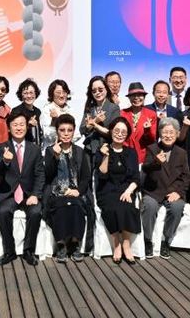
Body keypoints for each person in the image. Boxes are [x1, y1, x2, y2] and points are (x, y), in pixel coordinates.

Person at [0, 111, 45, 266]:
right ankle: (9, 251)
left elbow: (40, 174)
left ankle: (29, 251)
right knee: (3, 211)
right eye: (15, 125)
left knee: (35, 212)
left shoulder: (35, 149)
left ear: (27, 127)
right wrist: (5, 161)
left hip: (28, 193)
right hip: (9, 194)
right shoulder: (2, 147)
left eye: (22, 124)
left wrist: (35, 194)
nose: (18, 128)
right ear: (9, 128)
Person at [43, 114, 91, 263]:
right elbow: (47, 176)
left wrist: (78, 191)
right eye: (62, 130)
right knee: (62, 205)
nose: (66, 133)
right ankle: (61, 244)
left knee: (75, 205)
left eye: (69, 130)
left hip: (76, 192)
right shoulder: (50, 150)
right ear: (57, 131)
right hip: (56, 192)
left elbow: (85, 177)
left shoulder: (80, 151)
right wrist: (55, 157)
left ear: (73, 131)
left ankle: (75, 244)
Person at [80, 75, 120, 253]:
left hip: (105, 153)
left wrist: (94, 125)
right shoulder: (89, 107)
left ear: (106, 89)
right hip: (89, 152)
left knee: (103, 190)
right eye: (94, 90)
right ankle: (89, 241)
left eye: (100, 89)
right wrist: (94, 122)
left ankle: (107, 240)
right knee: (88, 191)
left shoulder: (113, 107)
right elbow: (82, 129)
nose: (97, 92)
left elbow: (113, 133)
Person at [141, 117, 188, 260]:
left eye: (171, 132)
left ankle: (166, 241)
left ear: (177, 134)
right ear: (160, 133)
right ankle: (147, 241)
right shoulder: (152, 149)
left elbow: (186, 177)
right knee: (149, 206)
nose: (168, 135)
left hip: (173, 191)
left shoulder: (181, 152)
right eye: (165, 132)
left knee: (177, 207)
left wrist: (178, 192)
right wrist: (156, 162)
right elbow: (145, 169)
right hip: (153, 191)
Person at [96, 117, 141, 265]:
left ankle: (126, 243)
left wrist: (129, 191)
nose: (119, 134)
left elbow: (136, 177)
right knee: (112, 207)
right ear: (111, 131)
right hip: (107, 189)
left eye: (123, 132)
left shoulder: (131, 152)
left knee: (127, 207)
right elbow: (102, 174)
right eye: (116, 131)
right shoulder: (103, 150)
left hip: (126, 189)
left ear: (127, 134)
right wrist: (105, 156)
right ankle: (116, 243)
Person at [120, 82, 157, 164]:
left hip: (144, 157)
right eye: (133, 95)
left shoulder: (151, 114)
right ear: (129, 98)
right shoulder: (122, 113)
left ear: (144, 97)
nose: (136, 98)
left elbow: (152, 140)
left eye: (140, 95)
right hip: (125, 156)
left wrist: (147, 130)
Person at [40, 79, 79, 150]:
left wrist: (64, 138)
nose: (61, 95)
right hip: (51, 151)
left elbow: (77, 135)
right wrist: (53, 121)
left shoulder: (71, 110)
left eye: (64, 92)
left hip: (68, 151)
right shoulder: (47, 109)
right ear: (52, 94)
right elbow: (48, 136)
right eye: (58, 92)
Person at [12, 78, 44, 147]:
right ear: (21, 95)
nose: (29, 96)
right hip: (23, 149)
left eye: (31, 93)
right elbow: (13, 131)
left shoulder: (37, 111)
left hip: (37, 149)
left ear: (35, 94)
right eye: (25, 93)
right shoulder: (16, 111)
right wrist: (28, 125)